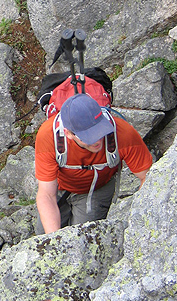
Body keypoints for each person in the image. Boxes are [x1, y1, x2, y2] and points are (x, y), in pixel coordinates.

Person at [35, 93, 153, 234]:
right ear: (69, 134)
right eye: (88, 137)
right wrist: (54, 240)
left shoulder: (122, 133)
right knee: (43, 235)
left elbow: (148, 178)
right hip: (59, 188)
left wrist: (141, 217)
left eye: (99, 131)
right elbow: (47, 195)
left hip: (97, 188)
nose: (97, 140)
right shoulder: (49, 137)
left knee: (83, 237)